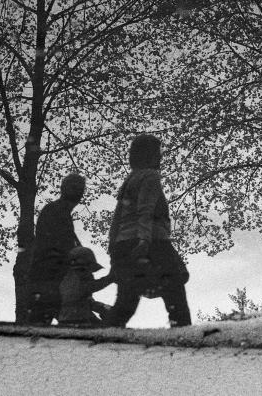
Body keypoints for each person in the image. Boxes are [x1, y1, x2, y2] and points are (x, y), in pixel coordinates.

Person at [105, 134, 191, 328]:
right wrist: (144, 240)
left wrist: (114, 249)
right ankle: (184, 333)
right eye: (157, 153)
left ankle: (106, 334)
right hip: (152, 241)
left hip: (124, 242)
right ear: (149, 155)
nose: (160, 157)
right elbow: (146, 209)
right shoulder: (150, 176)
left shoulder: (129, 181)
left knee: (127, 300)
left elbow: (117, 219)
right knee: (175, 291)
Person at [27, 173, 86, 325]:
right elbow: (53, 247)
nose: (78, 192)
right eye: (75, 188)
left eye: (80, 188)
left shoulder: (57, 211)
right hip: (50, 275)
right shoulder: (54, 211)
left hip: (51, 275)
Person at [58, 246, 114, 327]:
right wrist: (110, 278)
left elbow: (84, 301)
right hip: (80, 318)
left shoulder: (67, 279)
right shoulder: (82, 274)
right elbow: (92, 287)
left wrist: (103, 307)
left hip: (65, 318)